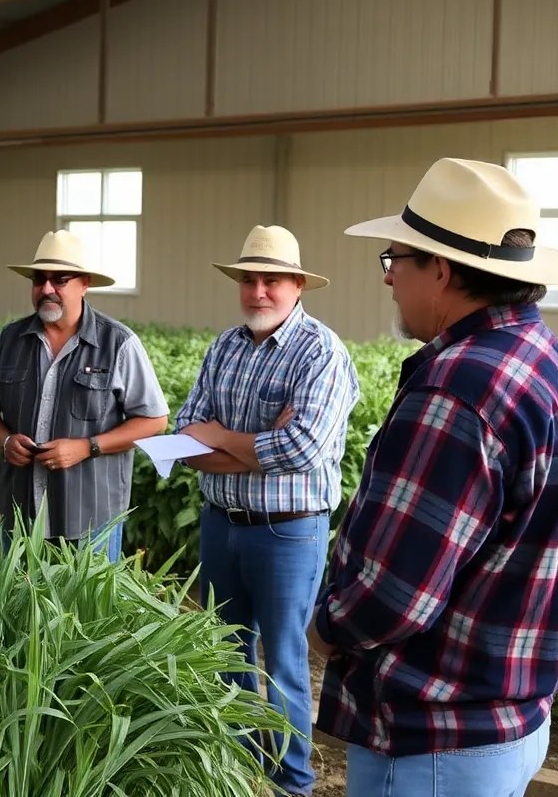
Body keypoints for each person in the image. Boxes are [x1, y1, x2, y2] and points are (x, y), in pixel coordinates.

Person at [312, 158, 558, 797]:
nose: (389, 278)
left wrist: (322, 630)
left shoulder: (458, 389)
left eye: (396, 259)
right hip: (512, 718)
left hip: (435, 739)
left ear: (444, 269)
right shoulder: (550, 362)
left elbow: (395, 593)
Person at [175, 224, 359, 797]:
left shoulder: (321, 352)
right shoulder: (225, 346)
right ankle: (232, 769)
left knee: (282, 661)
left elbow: (302, 449)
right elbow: (183, 440)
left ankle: (291, 781)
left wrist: (220, 438)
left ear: (298, 285)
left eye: (271, 280)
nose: (258, 291)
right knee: (225, 652)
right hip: (220, 524)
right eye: (249, 280)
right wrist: (254, 443)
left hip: (287, 533)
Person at [0, 229, 168, 561]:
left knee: (86, 611)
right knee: (17, 608)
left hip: (91, 518)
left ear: (84, 284)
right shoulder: (9, 340)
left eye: (60, 279)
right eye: (39, 280)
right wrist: (5, 441)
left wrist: (86, 447)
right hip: (20, 514)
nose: (47, 289)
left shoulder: (117, 343)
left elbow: (154, 419)